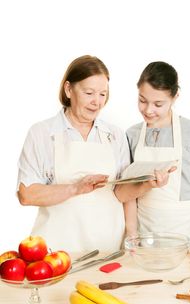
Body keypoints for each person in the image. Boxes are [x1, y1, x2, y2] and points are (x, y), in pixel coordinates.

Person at [17, 55, 169, 252]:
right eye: (89, 93)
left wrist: (148, 184)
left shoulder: (114, 136)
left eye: (103, 94)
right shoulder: (42, 133)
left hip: (107, 248)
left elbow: (120, 193)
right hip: (55, 250)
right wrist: (75, 188)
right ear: (69, 89)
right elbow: (26, 194)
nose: (96, 102)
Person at [116, 61, 190, 248]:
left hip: (185, 230)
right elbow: (128, 192)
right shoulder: (132, 135)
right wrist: (131, 234)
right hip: (144, 231)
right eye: (142, 100)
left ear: (175, 98)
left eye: (158, 104)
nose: (148, 110)